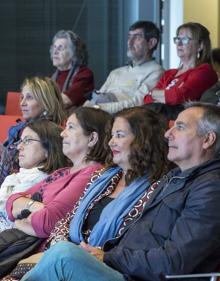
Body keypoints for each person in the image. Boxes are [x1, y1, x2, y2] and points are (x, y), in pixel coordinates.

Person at [22, 102, 220, 281]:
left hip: (139, 276)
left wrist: (107, 256)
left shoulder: (210, 189)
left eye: (180, 127)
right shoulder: (175, 178)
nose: (168, 134)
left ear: (207, 139)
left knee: (64, 256)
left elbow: (175, 261)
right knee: (59, 253)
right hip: (126, 269)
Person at [10, 106, 170, 279]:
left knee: (63, 255)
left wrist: (81, 254)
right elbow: (65, 221)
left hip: (112, 267)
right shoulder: (104, 177)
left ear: (143, 140)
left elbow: (49, 220)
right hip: (70, 257)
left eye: (120, 135)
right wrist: (58, 249)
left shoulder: (158, 188)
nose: (111, 142)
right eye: (112, 135)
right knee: (61, 254)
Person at [5, 107, 111, 240]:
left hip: (36, 252)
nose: (62, 134)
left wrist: (19, 221)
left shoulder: (91, 174)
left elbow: (48, 222)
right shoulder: (62, 172)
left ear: (92, 139)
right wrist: (34, 206)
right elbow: (10, 202)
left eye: (71, 127)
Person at [0, 119, 68, 232]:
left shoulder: (41, 179)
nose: (19, 147)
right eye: (21, 141)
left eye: (27, 141)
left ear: (48, 148)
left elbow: (5, 209)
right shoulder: (21, 176)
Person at [84, 20, 163, 113]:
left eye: (137, 37)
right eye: (129, 37)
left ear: (151, 43)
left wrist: (98, 109)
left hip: (123, 119)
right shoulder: (116, 72)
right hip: (99, 116)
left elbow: (138, 104)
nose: (129, 42)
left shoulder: (156, 71)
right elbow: (96, 98)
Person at [0, 76, 66, 185]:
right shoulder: (21, 128)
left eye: (29, 98)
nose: (22, 103)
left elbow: (20, 171)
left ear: (46, 102)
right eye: (22, 97)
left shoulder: (49, 134)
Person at [144, 22, 218, 119]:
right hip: (160, 118)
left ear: (200, 46)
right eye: (177, 39)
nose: (179, 43)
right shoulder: (169, 73)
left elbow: (178, 96)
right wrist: (165, 96)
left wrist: (154, 93)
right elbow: (147, 99)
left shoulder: (205, 72)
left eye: (185, 39)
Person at [50, 30, 94, 109]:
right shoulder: (54, 76)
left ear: (73, 52)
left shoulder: (84, 74)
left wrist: (40, 104)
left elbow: (65, 101)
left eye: (60, 48)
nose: (55, 52)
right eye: (54, 47)